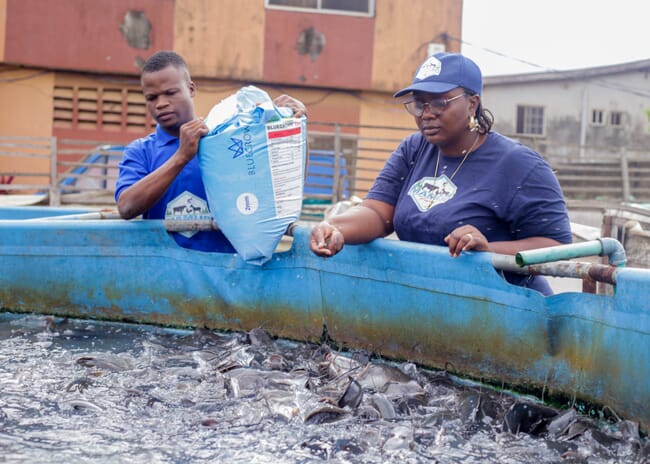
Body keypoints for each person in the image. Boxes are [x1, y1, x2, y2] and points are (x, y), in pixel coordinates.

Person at [309, 52, 572, 295]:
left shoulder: (518, 164)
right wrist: (335, 228)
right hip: (437, 306)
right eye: (419, 104)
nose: (426, 114)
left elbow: (557, 247)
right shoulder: (413, 150)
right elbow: (377, 213)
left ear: (472, 104)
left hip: (510, 310)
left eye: (438, 102)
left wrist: (489, 251)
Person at [115, 50, 307, 252]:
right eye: (151, 98)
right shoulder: (140, 151)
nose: (161, 104)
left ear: (190, 89)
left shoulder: (228, 137)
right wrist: (181, 156)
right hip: (165, 275)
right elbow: (126, 208)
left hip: (230, 273)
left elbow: (287, 184)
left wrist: (292, 124)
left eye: (170, 93)